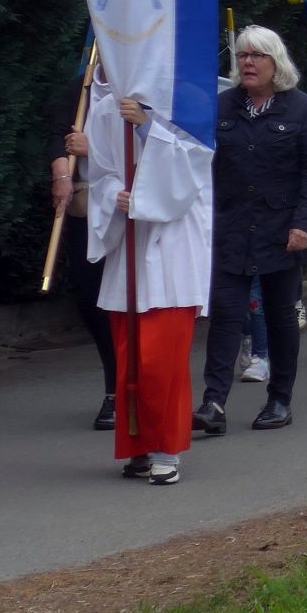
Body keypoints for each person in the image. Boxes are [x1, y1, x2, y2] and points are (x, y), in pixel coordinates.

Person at [194, 26, 307, 437]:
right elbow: (201, 164)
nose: (247, 62)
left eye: (256, 55)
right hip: (232, 230)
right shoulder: (222, 106)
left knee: (280, 316)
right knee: (226, 315)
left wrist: (303, 224)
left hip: (281, 233)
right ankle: (214, 402)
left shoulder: (300, 107)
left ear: (275, 61)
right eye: (242, 55)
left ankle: (279, 399)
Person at [83, 71, 213, 486]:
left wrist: (147, 127)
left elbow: (194, 167)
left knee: (162, 362)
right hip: (129, 251)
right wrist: (115, 196)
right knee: (131, 363)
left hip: (173, 252)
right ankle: (138, 447)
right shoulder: (106, 110)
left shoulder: (187, 101)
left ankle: (166, 448)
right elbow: (101, 173)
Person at [53, 63, 118, 430]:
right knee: (90, 298)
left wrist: (93, 149)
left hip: (126, 211)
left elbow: (147, 150)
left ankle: (118, 389)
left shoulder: (140, 92)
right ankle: (116, 376)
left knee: (123, 301)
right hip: (87, 208)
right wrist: (61, 174)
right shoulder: (82, 88)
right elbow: (57, 136)